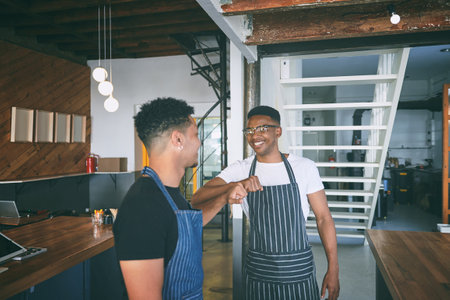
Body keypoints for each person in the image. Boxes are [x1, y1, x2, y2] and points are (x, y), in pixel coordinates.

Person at [192, 105, 340, 300]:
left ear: (278, 131)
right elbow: (198, 198)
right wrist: (235, 185)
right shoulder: (241, 169)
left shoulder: (304, 167)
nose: (254, 136)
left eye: (262, 128)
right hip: (259, 271)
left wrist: (334, 268)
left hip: (298, 271)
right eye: (250, 130)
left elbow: (324, 219)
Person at [113, 97, 205, 300]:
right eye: (196, 135)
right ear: (178, 140)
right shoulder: (142, 207)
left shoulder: (171, 195)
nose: (199, 142)